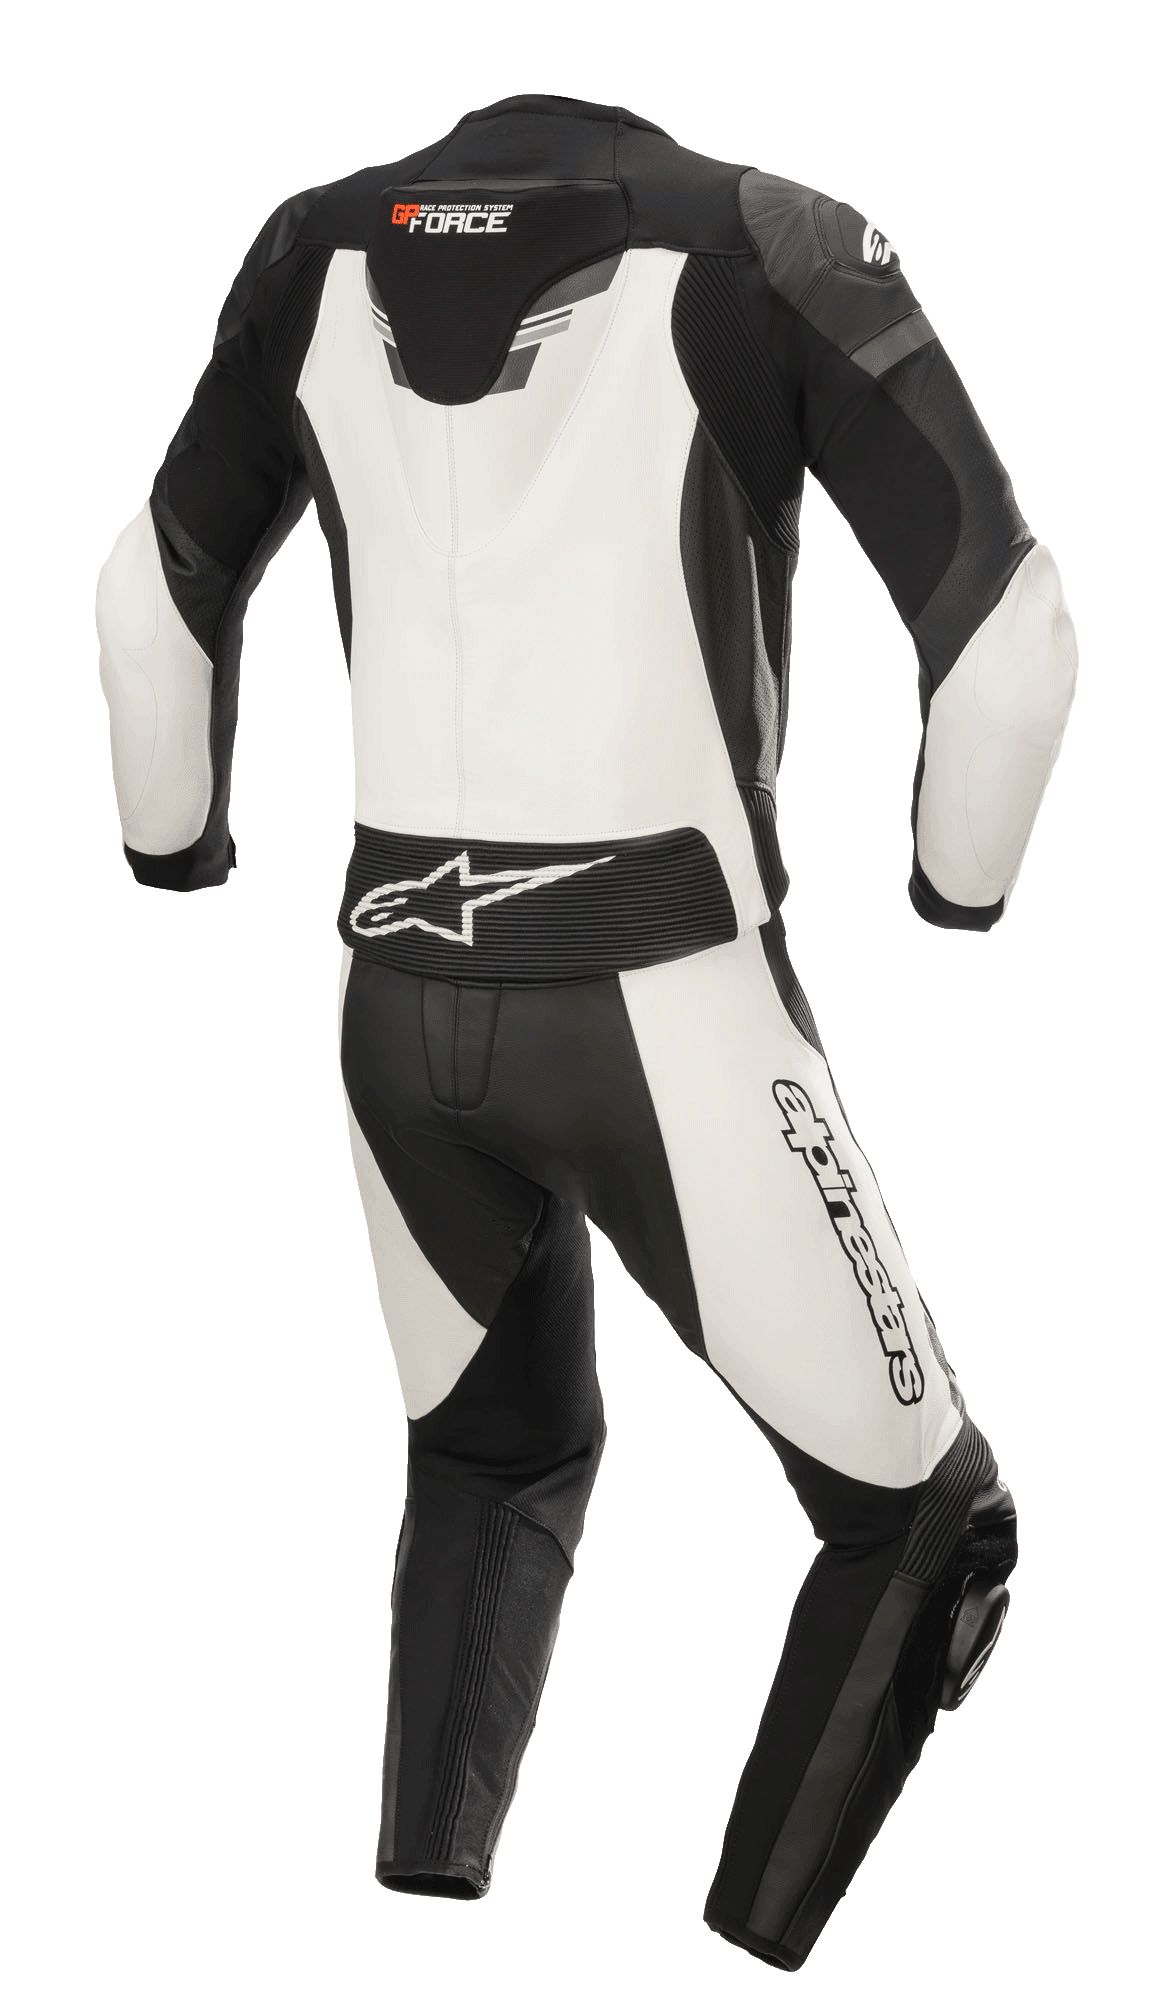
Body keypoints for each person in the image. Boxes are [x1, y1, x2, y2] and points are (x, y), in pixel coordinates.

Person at [95, 93, 1077, 1971]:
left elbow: (148, 602)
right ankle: (746, 1943)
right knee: (929, 1528)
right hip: (661, 996)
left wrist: (174, 851)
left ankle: (423, 1896)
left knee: (491, 1453)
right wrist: (956, 898)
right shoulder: (770, 239)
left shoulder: (313, 246)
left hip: (388, 1000)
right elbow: (1012, 641)